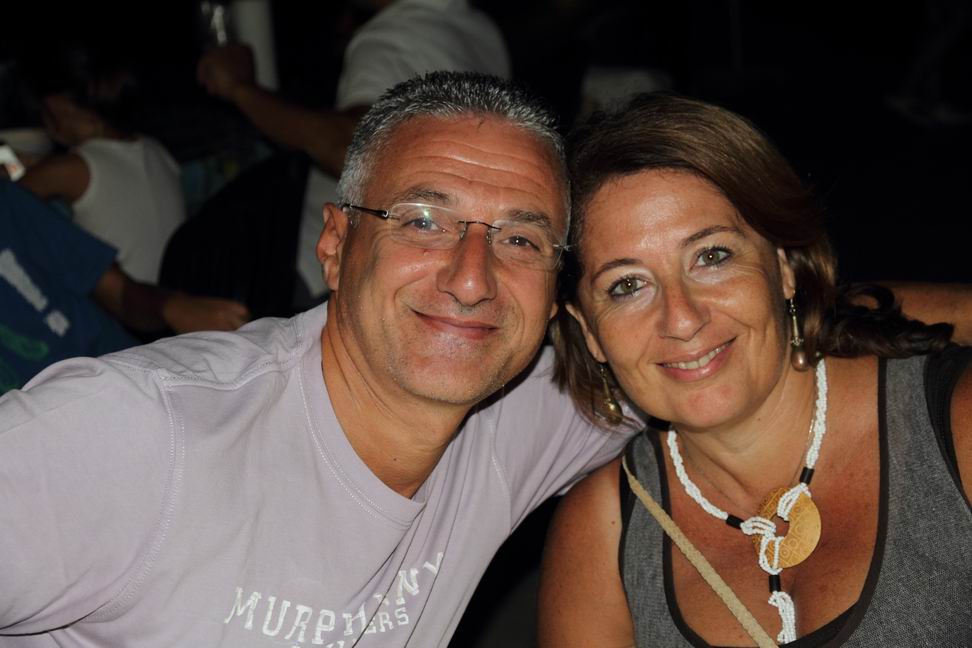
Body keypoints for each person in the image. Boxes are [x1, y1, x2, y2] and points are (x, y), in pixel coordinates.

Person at [0, 71, 633, 647]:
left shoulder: (522, 421)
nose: (472, 280)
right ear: (335, 244)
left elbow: (676, 365)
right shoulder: (136, 433)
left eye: (520, 239)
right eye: (422, 221)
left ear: (556, 292)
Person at [538, 93, 972, 646]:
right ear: (589, 331)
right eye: (627, 285)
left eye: (712, 256)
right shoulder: (601, 531)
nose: (682, 319)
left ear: (784, 267)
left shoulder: (955, 425)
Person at [197, 0, 510, 305]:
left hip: (337, 266)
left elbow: (350, 148)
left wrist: (240, 89)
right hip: (440, 250)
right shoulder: (478, 28)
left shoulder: (391, 36)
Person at [0, 179, 249, 394]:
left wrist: (173, 306)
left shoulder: (7, 202)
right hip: (42, 427)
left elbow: (119, 293)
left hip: (132, 380)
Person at [18, 46, 186, 283]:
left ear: (56, 105)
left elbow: (7, 203)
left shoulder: (70, 169)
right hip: (172, 293)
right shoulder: (155, 148)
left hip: (126, 302)